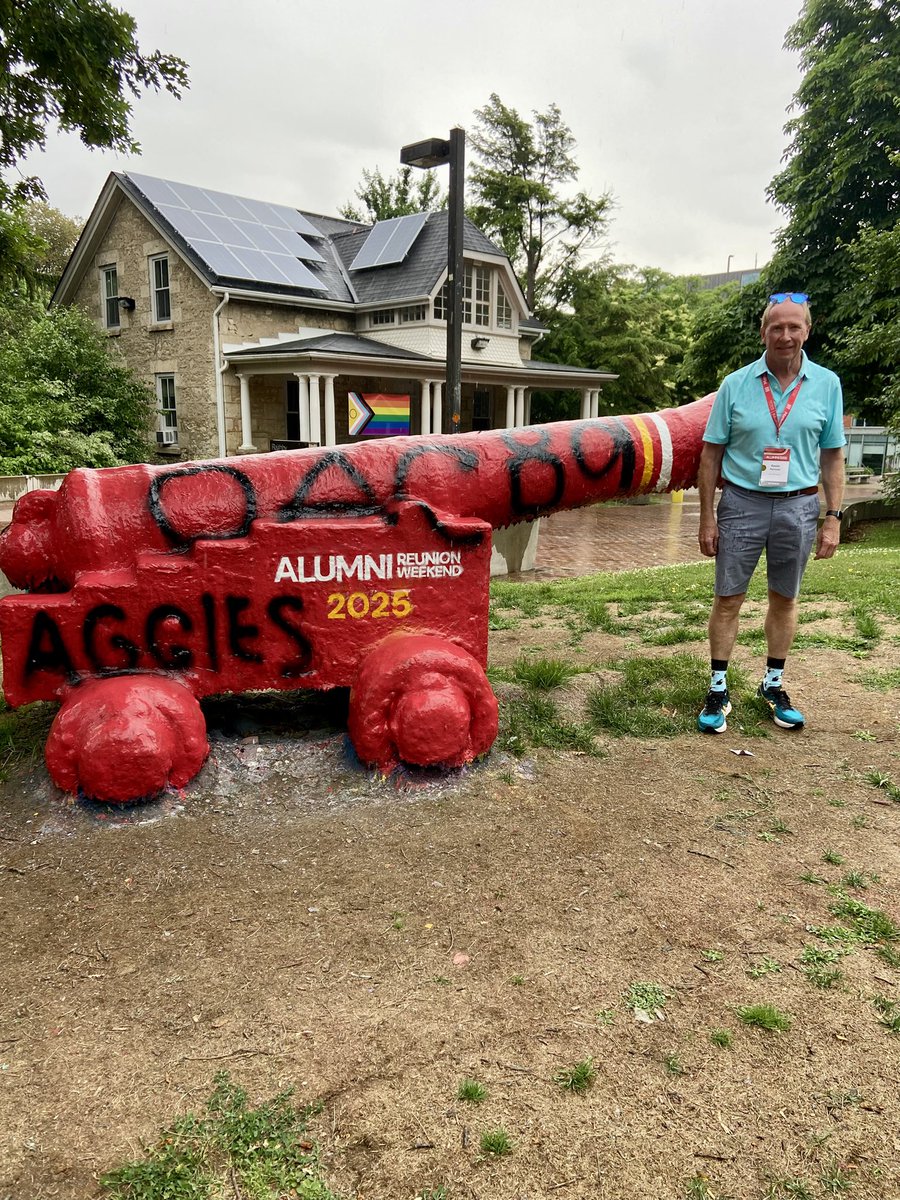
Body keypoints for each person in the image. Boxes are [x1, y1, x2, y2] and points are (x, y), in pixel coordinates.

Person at [696, 292, 845, 734]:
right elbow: (710, 456)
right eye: (776, 327)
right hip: (742, 503)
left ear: (807, 331)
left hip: (799, 505)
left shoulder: (827, 384)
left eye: (793, 326)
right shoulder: (736, 384)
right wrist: (707, 517)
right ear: (764, 332)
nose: (785, 335)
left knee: (785, 597)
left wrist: (832, 516)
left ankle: (773, 684)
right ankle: (718, 688)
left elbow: (833, 456)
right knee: (728, 598)